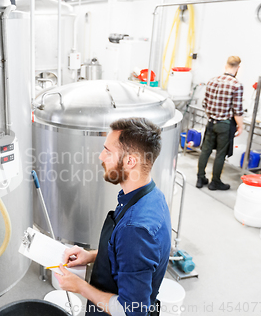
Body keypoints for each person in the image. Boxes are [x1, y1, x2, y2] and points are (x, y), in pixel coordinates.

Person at [54, 118, 171, 316]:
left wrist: (79, 286)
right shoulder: (151, 196)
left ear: (130, 161)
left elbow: (132, 310)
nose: (101, 156)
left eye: (108, 151)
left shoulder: (136, 229)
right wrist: (91, 256)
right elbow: (125, 255)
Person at [196, 56, 244, 190]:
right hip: (224, 124)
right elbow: (237, 110)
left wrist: (212, 115)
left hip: (210, 122)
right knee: (221, 154)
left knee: (205, 151)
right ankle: (215, 182)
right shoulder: (236, 85)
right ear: (238, 68)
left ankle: (200, 179)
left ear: (226, 65)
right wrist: (240, 126)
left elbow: (205, 103)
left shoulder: (212, 81)